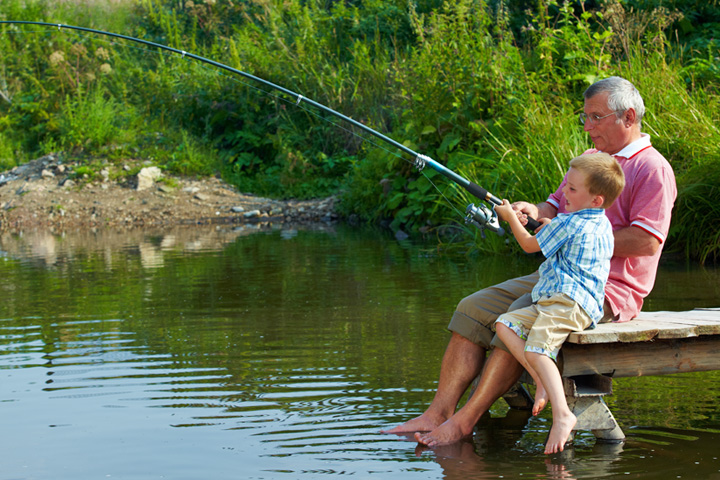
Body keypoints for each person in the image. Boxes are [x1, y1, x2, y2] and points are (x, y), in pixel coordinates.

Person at [381, 76, 677, 447]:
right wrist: (530, 210)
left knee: (520, 321)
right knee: (471, 309)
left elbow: (648, 241)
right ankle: (438, 412)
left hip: (605, 291)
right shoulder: (589, 160)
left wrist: (575, 238)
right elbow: (555, 205)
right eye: (584, 117)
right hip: (555, 277)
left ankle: (463, 422)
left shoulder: (653, 169)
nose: (587, 126)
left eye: (596, 117)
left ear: (628, 116)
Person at [493, 152, 625, 454]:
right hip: (573, 303)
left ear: (596, 199)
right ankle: (543, 380)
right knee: (505, 324)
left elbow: (528, 245)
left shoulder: (568, 224)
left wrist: (511, 218)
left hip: (567, 302)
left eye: (573, 189)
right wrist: (551, 225)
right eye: (567, 185)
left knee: (537, 349)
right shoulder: (600, 223)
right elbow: (569, 237)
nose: (564, 192)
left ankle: (563, 414)